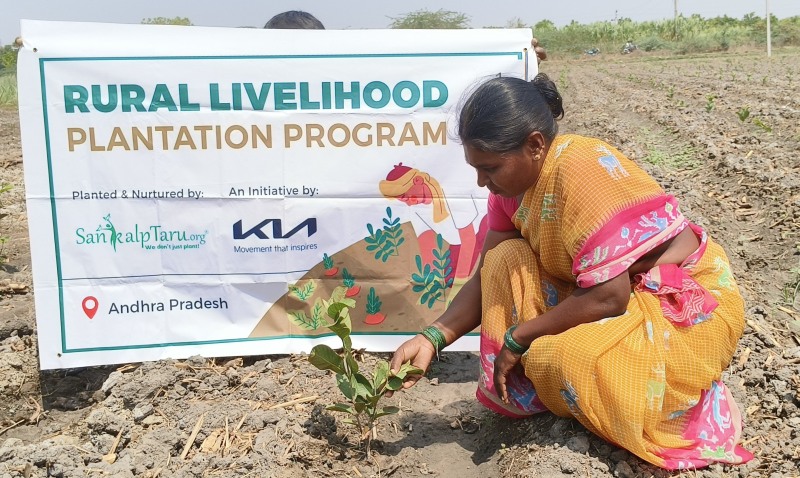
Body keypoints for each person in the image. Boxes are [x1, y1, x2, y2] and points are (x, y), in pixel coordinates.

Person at [388, 73, 752, 470]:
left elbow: (609, 296)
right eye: (476, 169)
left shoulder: (580, 171)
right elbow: (485, 275)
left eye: (490, 167)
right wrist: (432, 337)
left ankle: (682, 406)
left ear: (535, 145)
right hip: (611, 298)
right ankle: (559, 391)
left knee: (562, 360)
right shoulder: (512, 193)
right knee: (505, 259)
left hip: (680, 304)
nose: (481, 182)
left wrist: (519, 336)